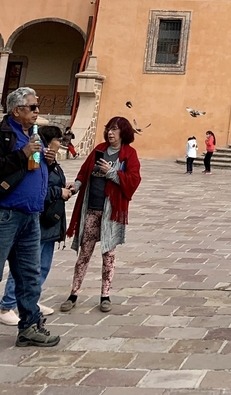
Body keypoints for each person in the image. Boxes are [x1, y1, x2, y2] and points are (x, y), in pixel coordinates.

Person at [59, 116, 141, 314]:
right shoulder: (99, 150)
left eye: (114, 129)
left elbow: (134, 180)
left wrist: (112, 172)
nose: (110, 133)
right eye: (108, 129)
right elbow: (84, 173)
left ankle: (105, 295)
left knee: (108, 256)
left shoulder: (129, 154)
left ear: (124, 132)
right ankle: (73, 293)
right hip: (91, 210)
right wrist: (76, 186)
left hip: (111, 214)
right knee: (84, 254)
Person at [0, 87, 61, 348]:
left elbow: (36, 170)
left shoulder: (33, 134)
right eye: (33, 107)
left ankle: (30, 327)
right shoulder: (4, 135)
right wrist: (21, 154)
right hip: (6, 214)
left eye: (37, 107)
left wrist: (49, 161)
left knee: (29, 275)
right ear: (17, 111)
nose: (38, 111)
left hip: (30, 216)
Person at [0, 125, 74, 326]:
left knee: (38, 267)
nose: (61, 143)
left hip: (49, 220)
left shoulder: (49, 160)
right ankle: (7, 305)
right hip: (32, 218)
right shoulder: (29, 151)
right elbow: (42, 189)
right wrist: (59, 192)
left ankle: (31, 308)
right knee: (24, 267)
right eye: (59, 139)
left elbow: (44, 183)